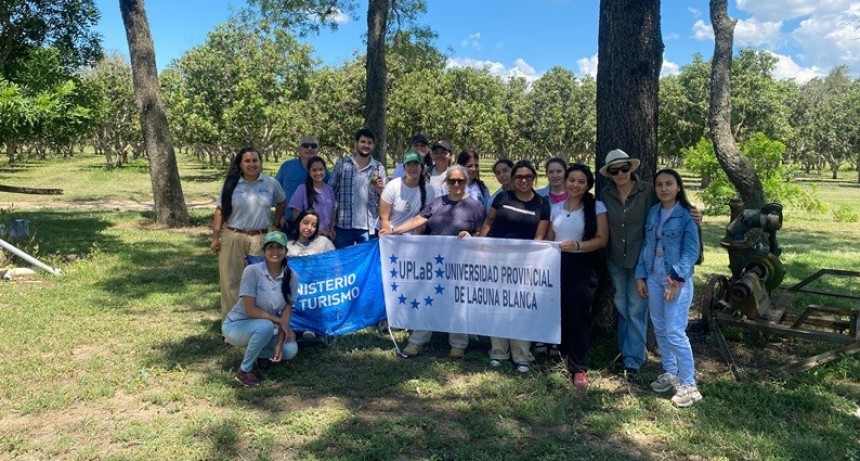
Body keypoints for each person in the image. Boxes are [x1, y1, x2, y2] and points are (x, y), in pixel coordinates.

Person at [599, 148, 701, 377]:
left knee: (636, 310)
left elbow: (672, 205)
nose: (620, 173)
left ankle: (634, 359)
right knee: (622, 307)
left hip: (642, 262)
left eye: (624, 168)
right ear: (609, 174)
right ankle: (627, 352)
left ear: (631, 168)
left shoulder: (648, 191)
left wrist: (694, 214)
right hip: (616, 258)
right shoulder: (605, 194)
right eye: (614, 170)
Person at [380, 164, 486, 359]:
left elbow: (481, 232)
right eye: (452, 180)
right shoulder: (437, 202)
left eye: (460, 181)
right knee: (427, 299)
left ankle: (458, 344)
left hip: (460, 264)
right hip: (434, 263)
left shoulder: (475, 206)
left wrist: (471, 235)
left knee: (457, 301)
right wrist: (394, 231)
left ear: (466, 182)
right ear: (446, 183)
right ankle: (417, 341)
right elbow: (419, 220)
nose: (456, 184)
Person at [634, 169, 702, 408]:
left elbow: (691, 252)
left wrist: (675, 281)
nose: (664, 189)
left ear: (678, 187)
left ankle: (689, 385)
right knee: (661, 328)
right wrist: (640, 274)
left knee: (675, 330)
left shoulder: (686, 216)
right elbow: (646, 245)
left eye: (669, 184)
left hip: (675, 278)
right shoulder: (654, 212)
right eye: (660, 184)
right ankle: (670, 373)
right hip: (653, 275)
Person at [479, 160, 551, 373]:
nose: (523, 181)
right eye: (519, 177)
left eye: (528, 177)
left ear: (534, 178)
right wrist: (480, 247)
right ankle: (498, 352)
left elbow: (540, 235)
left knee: (520, 308)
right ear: (513, 179)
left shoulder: (542, 204)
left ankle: (521, 355)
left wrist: (531, 262)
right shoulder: (502, 198)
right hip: (497, 261)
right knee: (498, 306)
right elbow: (488, 223)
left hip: (524, 264)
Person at [546, 164, 608, 390]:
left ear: (588, 185)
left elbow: (602, 239)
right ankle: (562, 356)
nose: (575, 185)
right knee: (559, 313)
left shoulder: (597, 207)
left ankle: (579, 368)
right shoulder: (555, 208)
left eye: (581, 181)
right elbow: (550, 239)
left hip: (583, 266)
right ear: (565, 181)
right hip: (557, 265)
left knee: (578, 316)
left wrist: (578, 245)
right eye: (572, 180)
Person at [211, 147, 286, 319]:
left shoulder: (270, 183)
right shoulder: (231, 184)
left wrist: (276, 222)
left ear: (260, 163)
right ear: (240, 164)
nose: (251, 164)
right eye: (247, 161)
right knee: (231, 281)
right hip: (233, 236)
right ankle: (230, 325)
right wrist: (215, 237)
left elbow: (282, 201)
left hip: (260, 238)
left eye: (255, 160)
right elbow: (220, 211)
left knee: (259, 282)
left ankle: (256, 322)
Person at [222, 231, 298, 387]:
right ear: (264, 251)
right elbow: (251, 310)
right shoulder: (252, 271)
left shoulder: (292, 277)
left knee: (290, 349)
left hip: (264, 327)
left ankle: (258, 352)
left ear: (285, 251)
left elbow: (286, 311)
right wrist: (279, 322)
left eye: (279, 247)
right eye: (270, 247)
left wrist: (279, 342)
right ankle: (244, 371)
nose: (275, 252)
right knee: (265, 326)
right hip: (236, 326)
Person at [329, 128, 387, 249]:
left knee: (365, 263)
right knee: (343, 262)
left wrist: (380, 190)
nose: (366, 145)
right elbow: (330, 192)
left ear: (373, 146)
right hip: (343, 225)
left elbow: (386, 199)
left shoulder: (378, 167)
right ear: (356, 143)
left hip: (368, 226)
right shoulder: (343, 164)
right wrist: (331, 222)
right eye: (363, 141)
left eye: (369, 142)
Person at [274, 135, 329, 230]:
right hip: (289, 222)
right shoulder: (287, 167)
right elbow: (275, 191)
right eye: (306, 145)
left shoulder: (324, 171)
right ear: (299, 149)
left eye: (313, 146)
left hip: (315, 225)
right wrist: (280, 216)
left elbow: (329, 194)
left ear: (318, 150)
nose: (310, 148)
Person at [379, 151, 435, 234]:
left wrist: (414, 241)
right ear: (404, 168)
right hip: (391, 235)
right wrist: (391, 237)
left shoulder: (429, 190)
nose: (412, 167)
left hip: (413, 239)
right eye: (409, 164)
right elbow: (384, 218)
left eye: (416, 164)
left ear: (421, 167)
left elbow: (424, 220)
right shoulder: (392, 186)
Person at [287, 156, 336, 239]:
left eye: (321, 169)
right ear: (309, 172)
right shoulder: (302, 189)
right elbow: (296, 215)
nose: (318, 173)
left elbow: (332, 213)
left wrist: (331, 231)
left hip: (326, 237)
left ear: (325, 170)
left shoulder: (329, 189)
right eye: (314, 170)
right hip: (308, 236)